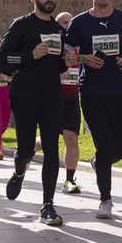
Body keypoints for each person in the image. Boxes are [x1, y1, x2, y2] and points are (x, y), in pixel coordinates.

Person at [0, 0, 75, 227]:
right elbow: (1, 60)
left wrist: (67, 62)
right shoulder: (21, 26)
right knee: (26, 148)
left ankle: (47, 205)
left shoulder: (60, 32)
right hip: (23, 97)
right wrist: (29, 55)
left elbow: (57, 65)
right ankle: (19, 170)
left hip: (52, 97)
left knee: (52, 148)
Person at [64, 0, 122, 219]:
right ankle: (105, 200)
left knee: (118, 148)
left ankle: (99, 162)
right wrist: (83, 58)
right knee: (105, 144)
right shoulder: (79, 23)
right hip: (91, 91)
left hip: (119, 90)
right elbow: (66, 57)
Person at [56, 11, 83, 195]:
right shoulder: (53, 47)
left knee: (71, 139)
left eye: (70, 22)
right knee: (48, 141)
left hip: (72, 101)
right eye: (64, 23)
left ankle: (69, 179)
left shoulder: (80, 47)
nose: (67, 25)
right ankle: (31, 148)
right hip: (52, 101)